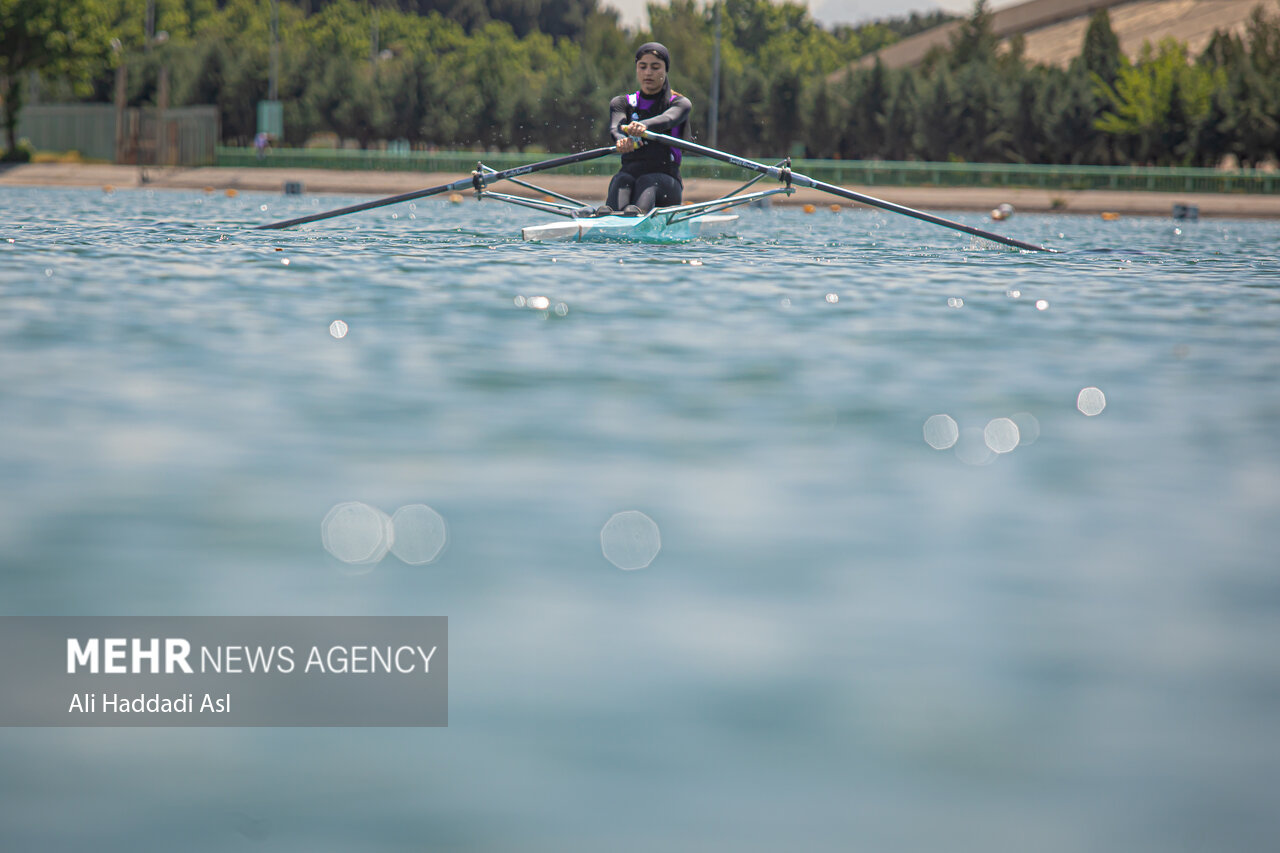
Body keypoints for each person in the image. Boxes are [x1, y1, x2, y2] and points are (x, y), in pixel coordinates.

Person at [596, 43, 691, 216]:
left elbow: (668, 118)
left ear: (666, 70)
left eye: (655, 67)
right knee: (620, 179)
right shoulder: (622, 103)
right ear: (637, 69)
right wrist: (620, 140)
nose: (648, 73)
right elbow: (615, 128)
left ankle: (635, 215)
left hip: (666, 184)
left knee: (648, 181)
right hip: (629, 176)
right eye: (643, 66)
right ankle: (610, 219)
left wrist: (645, 125)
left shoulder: (679, 104)